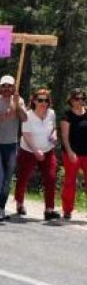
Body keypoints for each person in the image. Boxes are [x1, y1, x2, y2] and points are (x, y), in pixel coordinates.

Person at [15, 88, 61, 221]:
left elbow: (54, 128)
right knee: (23, 178)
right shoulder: (27, 115)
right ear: (34, 101)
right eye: (40, 100)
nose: (43, 103)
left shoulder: (51, 113)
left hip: (48, 150)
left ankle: (49, 209)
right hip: (28, 151)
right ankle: (19, 203)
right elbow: (26, 134)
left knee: (51, 178)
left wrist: (54, 135)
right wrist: (35, 150)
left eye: (46, 100)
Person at [0, 75, 27, 222]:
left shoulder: (18, 100)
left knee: (8, 178)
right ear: (0, 87)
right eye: (4, 86)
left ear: (13, 87)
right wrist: (4, 115)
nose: (6, 89)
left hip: (11, 144)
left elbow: (24, 118)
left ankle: (1, 208)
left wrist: (18, 105)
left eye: (9, 86)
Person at [61, 89, 87, 220]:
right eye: (77, 99)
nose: (80, 101)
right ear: (71, 100)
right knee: (70, 182)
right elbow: (65, 137)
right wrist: (70, 152)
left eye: (83, 98)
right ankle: (67, 210)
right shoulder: (67, 115)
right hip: (72, 153)